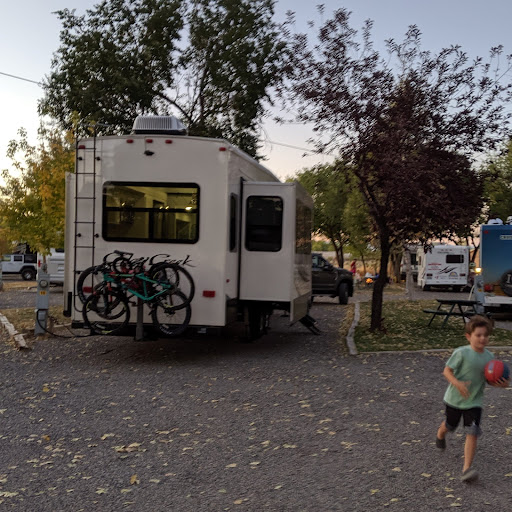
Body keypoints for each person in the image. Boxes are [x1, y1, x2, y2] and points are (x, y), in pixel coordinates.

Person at [435, 315, 509, 482]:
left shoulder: (489, 358)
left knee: (472, 432)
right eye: (478, 335)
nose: (483, 338)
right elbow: (447, 371)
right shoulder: (461, 353)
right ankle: (440, 434)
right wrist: (457, 384)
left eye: (486, 335)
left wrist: (502, 384)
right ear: (468, 336)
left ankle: (466, 469)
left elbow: (489, 380)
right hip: (454, 400)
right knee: (450, 425)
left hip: (474, 402)